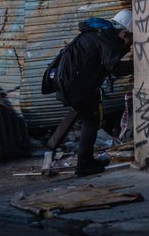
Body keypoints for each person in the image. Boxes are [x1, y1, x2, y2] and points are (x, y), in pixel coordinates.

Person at [49, 9, 133, 176]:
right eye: (130, 40)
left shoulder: (97, 34)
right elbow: (115, 68)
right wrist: (138, 64)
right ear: (124, 33)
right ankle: (84, 165)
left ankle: (86, 162)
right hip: (75, 87)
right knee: (91, 121)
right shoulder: (106, 39)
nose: (129, 45)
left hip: (67, 83)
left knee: (90, 120)